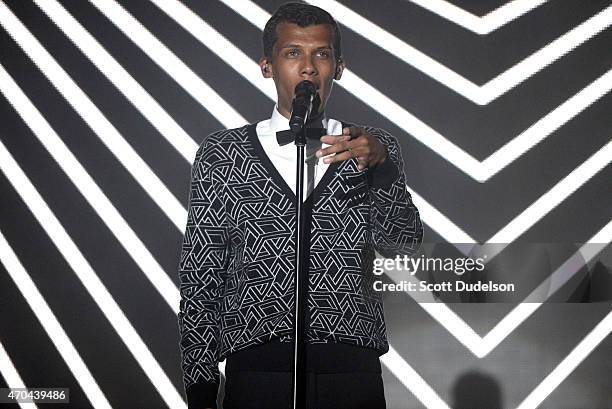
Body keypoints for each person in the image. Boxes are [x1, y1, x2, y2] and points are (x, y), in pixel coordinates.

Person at [177, 3, 424, 408]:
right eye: (293, 53)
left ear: (338, 68)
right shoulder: (223, 154)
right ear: (267, 66)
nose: (308, 68)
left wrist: (381, 170)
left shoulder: (372, 147)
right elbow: (202, 277)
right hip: (257, 366)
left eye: (321, 54)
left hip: (349, 367)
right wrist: (201, 388)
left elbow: (404, 243)